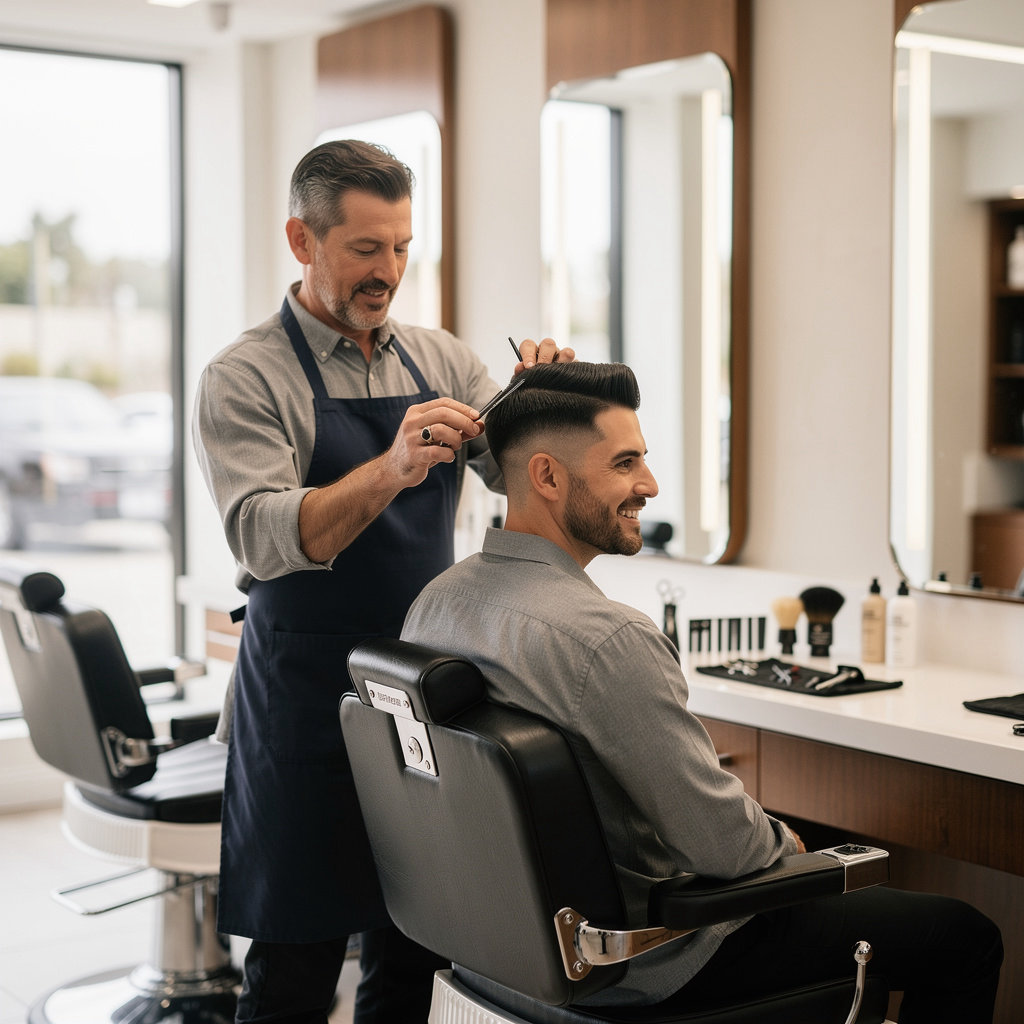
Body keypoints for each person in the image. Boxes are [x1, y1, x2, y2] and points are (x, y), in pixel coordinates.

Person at [401, 361, 1003, 1020]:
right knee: (964, 938)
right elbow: (730, 851)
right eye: (625, 463)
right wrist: (788, 846)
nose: (650, 484)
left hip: (503, 949)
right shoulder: (605, 640)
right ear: (547, 476)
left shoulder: (435, 604)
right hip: (655, 958)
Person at [192, 139, 572, 1024]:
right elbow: (262, 535)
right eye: (366, 248)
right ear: (302, 239)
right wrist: (391, 467)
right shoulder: (243, 377)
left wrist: (546, 404)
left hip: (420, 695)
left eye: (401, 246)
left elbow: (520, 476)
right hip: (301, 701)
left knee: (414, 957)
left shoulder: (441, 360)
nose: (389, 271)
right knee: (293, 972)